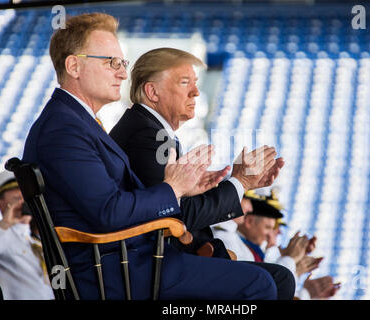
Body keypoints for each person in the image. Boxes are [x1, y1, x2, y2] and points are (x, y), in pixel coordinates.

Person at [22, 12, 280, 300]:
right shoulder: (63, 130)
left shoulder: (74, 123)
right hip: (118, 272)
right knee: (260, 285)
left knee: (267, 280)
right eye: (112, 63)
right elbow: (108, 212)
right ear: (74, 66)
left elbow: (115, 203)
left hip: (129, 261)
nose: (121, 73)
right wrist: (173, 190)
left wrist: (183, 188)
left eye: (123, 64)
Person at [109, 47, 295, 299]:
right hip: (151, 266)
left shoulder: (149, 130)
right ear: (152, 92)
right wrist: (239, 183)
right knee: (269, 281)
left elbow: (174, 206)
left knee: (279, 279)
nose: (196, 91)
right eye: (185, 83)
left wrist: (239, 184)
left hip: (159, 256)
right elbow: (177, 214)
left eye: (195, 83)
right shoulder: (151, 135)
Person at [0, 170, 54, 300]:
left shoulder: (37, 240)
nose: (24, 203)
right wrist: (5, 223)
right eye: (17, 199)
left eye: (26, 198)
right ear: (0, 204)